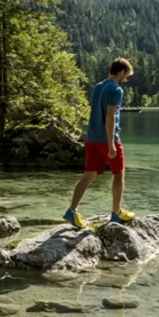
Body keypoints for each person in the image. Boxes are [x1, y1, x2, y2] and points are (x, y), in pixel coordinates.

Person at [64, 57, 136, 228]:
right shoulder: (116, 90)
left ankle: (72, 211)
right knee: (118, 173)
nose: (125, 79)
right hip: (106, 139)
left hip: (91, 138)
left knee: (89, 174)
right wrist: (111, 143)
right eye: (126, 75)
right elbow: (110, 116)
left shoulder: (97, 86)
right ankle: (116, 213)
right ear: (120, 72)